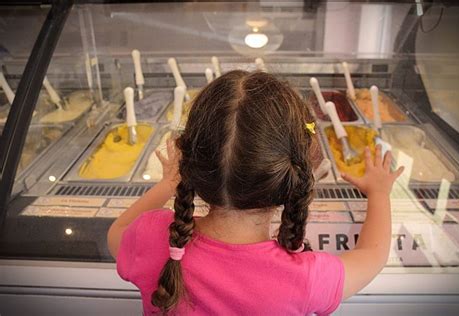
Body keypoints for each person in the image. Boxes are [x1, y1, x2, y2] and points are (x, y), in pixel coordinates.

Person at [107, 70, 403, 315]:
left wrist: (166, 186)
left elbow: (116, 232)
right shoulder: (304, 277)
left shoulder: (152, 236)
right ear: (293, 172)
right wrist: (378, 193)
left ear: (191, 161)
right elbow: (372, 256)